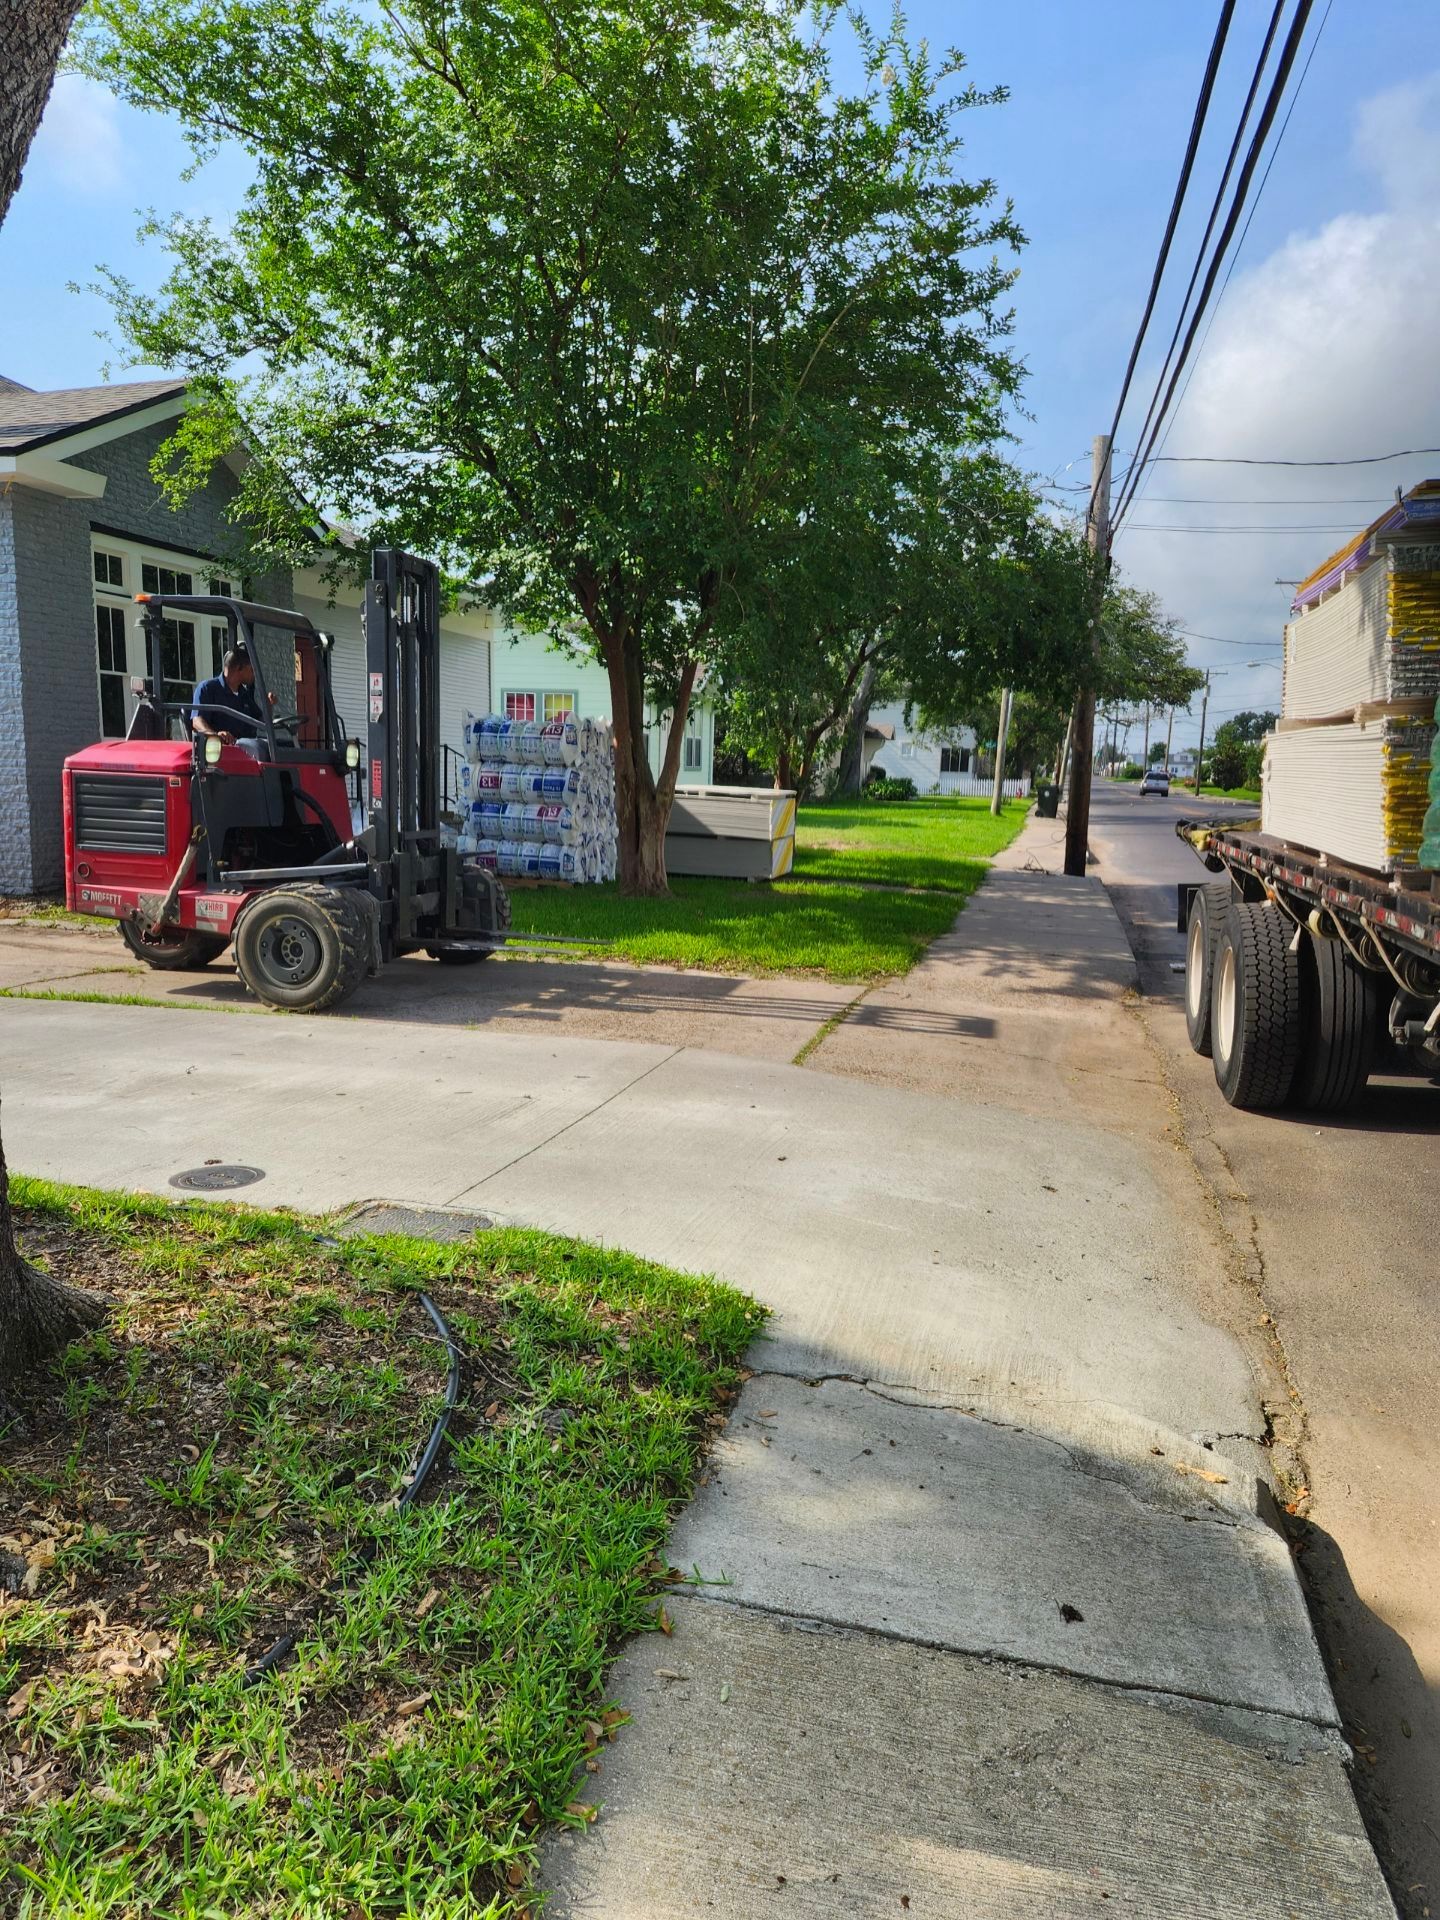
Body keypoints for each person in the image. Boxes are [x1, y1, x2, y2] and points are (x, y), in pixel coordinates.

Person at [191, 646, 273, 742]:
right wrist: (215, 736)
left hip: (247, 747)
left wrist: (269, 705)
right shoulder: (207, 689)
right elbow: (197, 721)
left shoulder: (244, 694)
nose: (254, 674)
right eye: (251, 669)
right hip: (220, 748)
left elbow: (262, 723)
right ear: (239, 668)